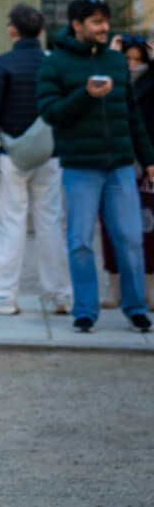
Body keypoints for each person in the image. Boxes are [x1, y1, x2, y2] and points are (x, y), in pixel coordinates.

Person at [37, 0, 154, 334]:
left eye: (106, 21)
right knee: (80, 241)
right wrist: (85, 95)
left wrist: (148, 160)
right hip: (79, 166)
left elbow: (132, 115)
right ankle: (85, 310)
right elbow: (49, 112)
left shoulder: (117, 62)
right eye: (97, 22)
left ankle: (135, 308)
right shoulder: (55, 63)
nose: (105, 28)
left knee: (131, 237)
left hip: (119, 164)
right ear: (77, 25)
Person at [0, 2, 71, 316]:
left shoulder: (4, 63)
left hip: (13, 153)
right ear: (42, 31)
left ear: (12, 29)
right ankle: (59, 295)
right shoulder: (54, 62)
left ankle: (3, 297)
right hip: (51, 153)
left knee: (10, 224)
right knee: (51, 222)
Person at [99, 37, 154, 307]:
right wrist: (110, 54)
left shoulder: (152, 82)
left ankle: (148, 289)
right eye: (127, 59)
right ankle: (116, 288)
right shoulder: (110, 79)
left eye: (138, 60)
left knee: (149, 227)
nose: (132, 65)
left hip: (146, 165)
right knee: (112, 228)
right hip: (112, 161)